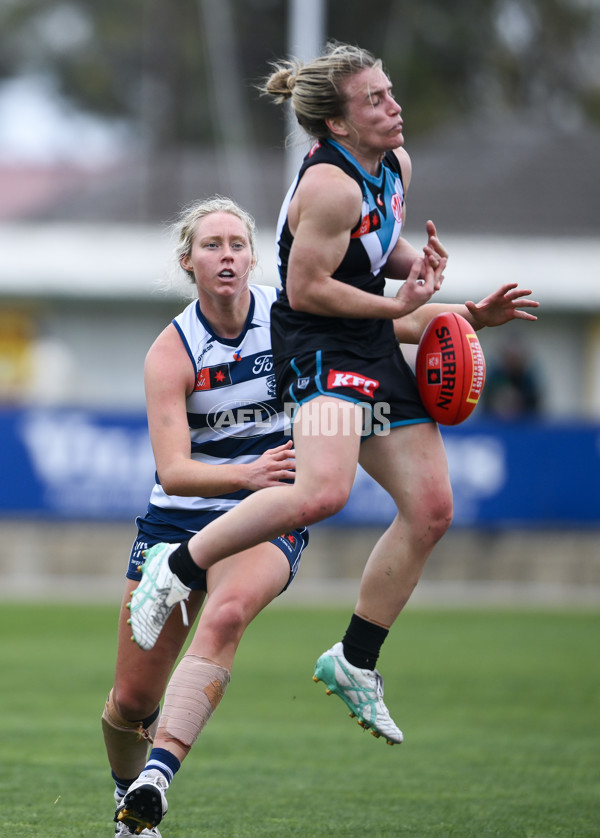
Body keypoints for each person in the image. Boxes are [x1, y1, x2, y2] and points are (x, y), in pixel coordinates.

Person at [127, 42, 539, 759]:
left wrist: (427, 278)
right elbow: (305, 289)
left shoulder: (395, 166)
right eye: (375, 98)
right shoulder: (327, 186)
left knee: (432, 508)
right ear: (340, 126)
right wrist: (400, 306)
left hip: (368, 341)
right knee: (322, 492)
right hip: (317, 347)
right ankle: (180, 566)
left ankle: (355, 658)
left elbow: (378, 248)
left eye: (389, 90)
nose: (393, 104)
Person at [104, 196, 309, 837]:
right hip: (177, 525)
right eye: (212, 246)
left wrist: (465, 316)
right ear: (188, 262)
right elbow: (174, 471)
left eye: (238, 244)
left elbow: (386, 328)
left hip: (265, 513)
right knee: (131, 702)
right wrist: (245, 471)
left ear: (254, 257)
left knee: (225, 613)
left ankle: (157, 780)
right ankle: (129, 803)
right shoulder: (172, 350)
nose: (227, 256)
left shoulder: (289, 313)